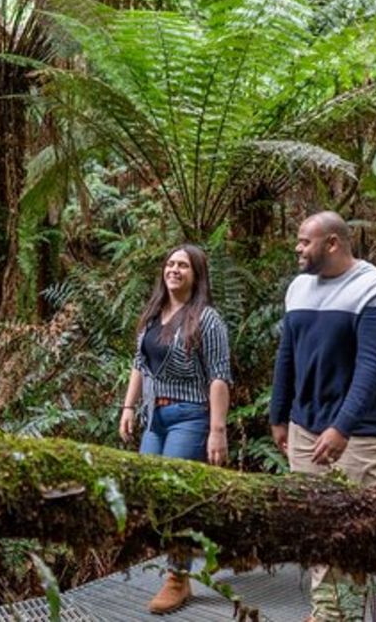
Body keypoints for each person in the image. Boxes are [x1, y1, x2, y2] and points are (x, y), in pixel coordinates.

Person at [270, 211, 376, 622]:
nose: (297, 248)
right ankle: (325, 613)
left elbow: (371, 367)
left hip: (359, 432)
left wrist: (341, 427)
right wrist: (279, 415)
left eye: (304, 241)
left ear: (332, 243)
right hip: (305, 427)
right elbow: (287, 355)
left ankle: (336, 615)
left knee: (350, 528)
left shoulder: (374, 289)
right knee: (315, 526)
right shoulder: (298, 288)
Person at [119, 243, 233, 615]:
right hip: (155, 417)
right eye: (170, 264)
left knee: (173, 499)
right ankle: (213, 541)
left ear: (196, 274)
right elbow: (139, 364)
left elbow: (219, 377)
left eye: (183, 265)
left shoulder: (207, 319)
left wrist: (217, 430)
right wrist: (128, 407)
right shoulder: (154, 315)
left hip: (191, 416)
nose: (174, 270)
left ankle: (177, 578)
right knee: (147, 494)